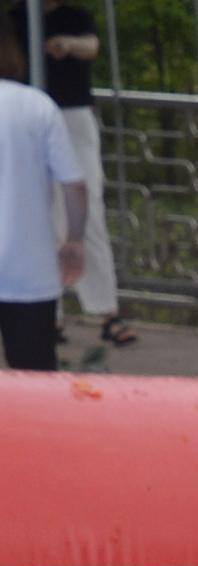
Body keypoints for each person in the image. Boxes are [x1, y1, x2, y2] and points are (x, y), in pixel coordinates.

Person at [7, 0, 121, 349]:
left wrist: (67, 45)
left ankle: (105, 308)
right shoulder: (15, 19)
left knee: (86, 208)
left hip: (71, 115)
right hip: (30, 118)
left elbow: (91, 45)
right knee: (37, 212)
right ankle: (47, 310)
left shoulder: (72, 17)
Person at [0, 60, 82, 373]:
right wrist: (74, 240)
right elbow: (74, 184)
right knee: (35, 378)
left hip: (29, 270)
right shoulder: (36, 105)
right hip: (28, 269)